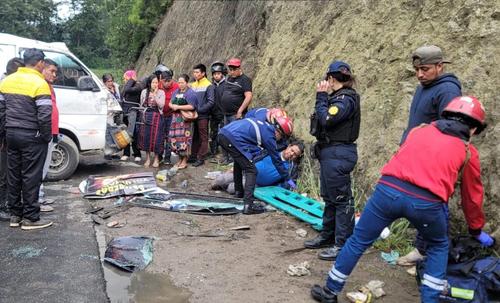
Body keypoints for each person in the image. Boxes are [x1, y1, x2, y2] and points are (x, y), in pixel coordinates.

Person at [311, 96, 495, 303]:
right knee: (438, 246)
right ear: (473, 129)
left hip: (387, 191)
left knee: (358, 240)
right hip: (426, 203)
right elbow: (472, 197)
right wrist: (476, 230)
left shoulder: (419, 130)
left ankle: (329, 291)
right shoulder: (468, 151)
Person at [398, 45, 462, 266]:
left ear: (439, 66)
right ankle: (424, 248)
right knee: (422, 202)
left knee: (434, 204)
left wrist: (426, 133)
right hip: (416, 155)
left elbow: (453, 125)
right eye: (416, 70)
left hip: (433, 160)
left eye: (424, 69)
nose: (419, 74)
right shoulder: (424, 86)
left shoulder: (448, 91)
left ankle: (428, 251)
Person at [304, 60, 361, 261]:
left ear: (330, 78)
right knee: (329, 197)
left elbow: (328, 119)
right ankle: (328, 236)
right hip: (331, 152)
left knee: (340, 199)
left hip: (339, 153)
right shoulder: (338, 97)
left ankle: (342, 244)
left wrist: (320, 97)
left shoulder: (345, 98)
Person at [0, 48, 53, 230]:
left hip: (11, 135)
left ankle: (15, 215)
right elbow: (45, 115)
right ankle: (30, 218)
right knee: (31, 176)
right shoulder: (40, 83)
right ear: (39, 63)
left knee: (14, 175)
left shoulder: (7, 81)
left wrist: (3, 135)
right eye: (43, 63)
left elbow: (1, 111)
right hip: (31, 135)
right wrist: (45, 137)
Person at [218, 116, 293, 214]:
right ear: (279, 132)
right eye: (282, 137)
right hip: (232, 138)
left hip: (223, 133)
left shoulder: (263, 124)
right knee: (252, 170)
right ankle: (248, 206)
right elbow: (277, 161)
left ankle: (238, 192)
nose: (279, 140)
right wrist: (288, 179)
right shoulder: (269, 136)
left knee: (239, 161)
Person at [212, 140, 305, 193]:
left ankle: (225, 187)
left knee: (231, 189)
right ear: (289, 146)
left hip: (256, 184)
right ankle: (222, 183)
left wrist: (268, 189)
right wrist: (236, 167)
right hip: (245, 172)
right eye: (292, 150)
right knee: (219, 180)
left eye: (295, 154)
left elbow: (290, 184)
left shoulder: (291, 168)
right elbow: (253, 155)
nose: (291, 154)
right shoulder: (273, 150)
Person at [0, 57, 25, 221]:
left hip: (7, 136)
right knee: (4, 175)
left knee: (10, 173)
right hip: (4, 138)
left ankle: (10, 204)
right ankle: (3, 207)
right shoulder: (5, 87)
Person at [219, 58, 253, 165]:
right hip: (226, 113)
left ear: (239, 68)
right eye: (230, 69)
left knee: (235, 137)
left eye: (234, 69)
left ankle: (236, 160)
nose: (231, 72)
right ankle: (226, 157)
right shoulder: (229, 78)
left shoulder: (245, 80)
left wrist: (240, 110)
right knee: (224, 135)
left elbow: (248, 96)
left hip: (236, 114)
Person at [38, 58, 60, 212]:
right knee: (38, 167)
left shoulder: (49, 86)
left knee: (44, 167)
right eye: (51, 71)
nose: (54, 75)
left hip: (51, 131)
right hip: (43, 133)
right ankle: (36, 199)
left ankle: (40, 195)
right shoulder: (40, 86)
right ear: (42, 68)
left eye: (55, 72)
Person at [168, 74, 198, 169]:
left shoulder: (190, 93)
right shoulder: (176, 92)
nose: (180, 84)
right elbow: (170, 102)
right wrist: (172, 106)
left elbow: (192, 106)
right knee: (176, 139)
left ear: (186, 82)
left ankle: (185, 160)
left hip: (185, 120)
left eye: (182, 82)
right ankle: (179, 159)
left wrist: (178, 107)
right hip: (175, 119)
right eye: (179, 82)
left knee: (185, 139)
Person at [137, 75, 166, 168]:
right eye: (153, 82)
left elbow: (161, 105)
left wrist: (155, 95)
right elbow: (141, 105)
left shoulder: (161, 92)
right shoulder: (144, 92)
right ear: (149, 83)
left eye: (156, 82)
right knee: (146, 137)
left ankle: (157, 158)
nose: (155, 84)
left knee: (157, 138)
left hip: (157, 116)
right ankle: (148, 158)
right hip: (146, 116)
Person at [190, 64, 215, 167]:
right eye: (194, 72)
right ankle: (193, 156)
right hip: (193, 115)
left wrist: (199, 110)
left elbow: (211, 102)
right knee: (195, 136)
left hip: (202, 115)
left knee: (203, 137)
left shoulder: (209, 85)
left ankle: (201, 158)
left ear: (203, 73)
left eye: (197, 72)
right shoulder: (194, 84)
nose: (195, 74)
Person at [156, 65, 179, 165]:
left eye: (168, 81)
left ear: (171, 80)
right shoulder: (158, 85)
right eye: (164, 81)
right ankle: (159, 155)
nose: (166, 84)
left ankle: (168, 157)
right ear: (161, 80)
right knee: (160, 135)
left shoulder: (176, 86)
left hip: (171, 115)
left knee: (169, 136)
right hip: (160, 115)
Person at [120, 69, 143, 162]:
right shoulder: (126, 86)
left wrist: (132, 80)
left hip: (133, 112)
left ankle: (137, 154)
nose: (125, 80)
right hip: (125, 112)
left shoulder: (138, 86)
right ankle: (126, 153)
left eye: (126, 78)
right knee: (125, 133)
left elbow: (128, 89)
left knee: (133, 133)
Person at [208, 61, 227, 158]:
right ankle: (213, 151)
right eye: (215, 74)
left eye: (218, 74)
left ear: (222, 74)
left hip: (224, 112)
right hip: (213, 113)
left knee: (224, 132)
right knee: (213, 132)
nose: (216, 76)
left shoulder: (227, 84)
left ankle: (225, 153)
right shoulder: (211, 86)